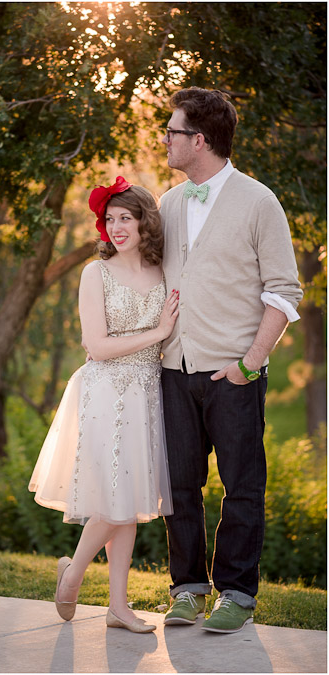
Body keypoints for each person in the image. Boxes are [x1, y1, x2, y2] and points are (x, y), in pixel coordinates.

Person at [158, 87, 302, 633]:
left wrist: (250, 362)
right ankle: (187, 588)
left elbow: (284, 291)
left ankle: (237, 593)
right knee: (178, 485)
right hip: (174, 369)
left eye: (172, 131)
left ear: (200, 139)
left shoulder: (259, 201)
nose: (165, 139)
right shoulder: (169, 203)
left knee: (242, 483)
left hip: (235, 372)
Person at [29, 177, 178, 633]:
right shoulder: (95, 273)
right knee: (115, 506)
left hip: (147, 393)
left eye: (125, 218)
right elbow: (96, 344)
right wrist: (158, 333)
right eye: (109, 219)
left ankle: (118, 607)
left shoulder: (164, 271)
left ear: (144, 221)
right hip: (104, 393)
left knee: (128, 503)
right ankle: (72, 573)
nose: (116, 227)